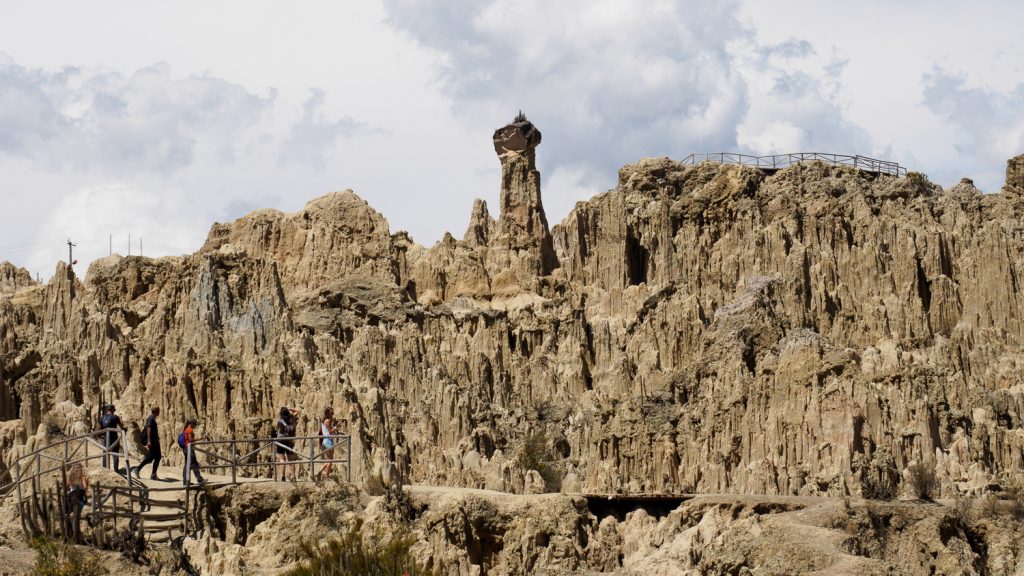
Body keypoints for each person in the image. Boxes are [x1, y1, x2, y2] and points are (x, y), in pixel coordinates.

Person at [131, 407, 161, 480]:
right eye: (158, 411)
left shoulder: (152, 418)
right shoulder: (151, 418)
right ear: (155, 411)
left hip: (154, 441)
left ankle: (153, 474)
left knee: (157, 457)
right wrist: (149, 441)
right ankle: (137, 469)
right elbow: (149, 429)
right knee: (151, 457)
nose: (159, 412)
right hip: (152, 441)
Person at [98, 403, 126, 473]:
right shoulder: (115, 417)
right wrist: (121, 419)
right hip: (114, 438)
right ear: (113, 409)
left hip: (106, 438)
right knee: (115, 454)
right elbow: (122, 426)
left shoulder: (102, 418)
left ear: (107, 410)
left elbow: (99, 430)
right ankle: (116, 470)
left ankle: (104, 468)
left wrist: (100, 436)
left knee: (105, 453)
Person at [275, 406, 300, 481]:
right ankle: (293, 477)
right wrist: (289, 408)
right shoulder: (291, 418)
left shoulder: (280, 421)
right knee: (290, 459)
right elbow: (298, 410)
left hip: (281, 441)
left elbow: (277, 428)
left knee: (282, 459)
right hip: (289, 441)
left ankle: (283, 477)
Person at [180, 417, 205, 486]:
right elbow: (190, 440)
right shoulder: (189, 430)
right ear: (191, 424)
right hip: (189, 449)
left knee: (187, 465)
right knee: (194, 464)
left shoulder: (185, 429)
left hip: (185, 448)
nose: (195, 426)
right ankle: (199, 479)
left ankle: (185, 481)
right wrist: (199, 439)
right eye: (194, 424)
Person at [317, 407, 339, 479]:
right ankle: (326, 476)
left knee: (328, 460)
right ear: (329, 413)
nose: (333, 412)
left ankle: (320, 472)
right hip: (328, 441)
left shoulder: (325, 421)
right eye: (331, 412)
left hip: (325, 441)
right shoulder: (327, 421)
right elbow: (330, 431)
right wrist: (336, 428)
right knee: (330, 460)